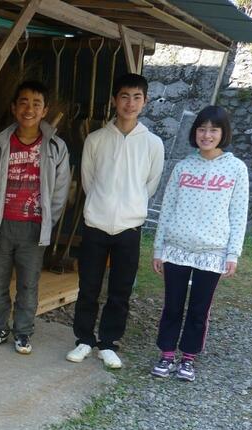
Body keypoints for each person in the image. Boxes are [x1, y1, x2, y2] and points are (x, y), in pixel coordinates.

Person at [67, 73, 164, 368]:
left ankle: (108, 343)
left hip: (129, 227)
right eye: (124, 96)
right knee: (88, 286)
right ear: (114, 100)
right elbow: (88, 181)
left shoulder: (153, 144)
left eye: (136, 97)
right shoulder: (96, 140)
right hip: (96, 223)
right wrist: (102, 205)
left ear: (145, 101)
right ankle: (84, 340)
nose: (130, 103)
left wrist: (131, 207)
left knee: (120, 291)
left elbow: (150, 185)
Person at [150, 105, 248, 382]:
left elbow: (238, 214)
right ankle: (167, 353)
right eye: (202, 129)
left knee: (199, 309)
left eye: (213, 130)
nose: (207, 135)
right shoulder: (183, 167)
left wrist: (232, 254)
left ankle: (188, 358)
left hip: (212, 252)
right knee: (172, 305)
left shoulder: (236, 169)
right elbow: (167, 208)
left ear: (223, 133)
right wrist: (159, 248)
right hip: (177, 249)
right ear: (195, 132)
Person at [0, 80, 71, 354]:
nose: (29, 109)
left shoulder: (55, 147)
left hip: (34, 227)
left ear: (44, 110)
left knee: (28, 285)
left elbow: (60, 190)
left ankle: (23, 332)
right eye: (23, 102)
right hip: (2, 225)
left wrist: (47, 222)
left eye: (36, 104)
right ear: (13, 108)